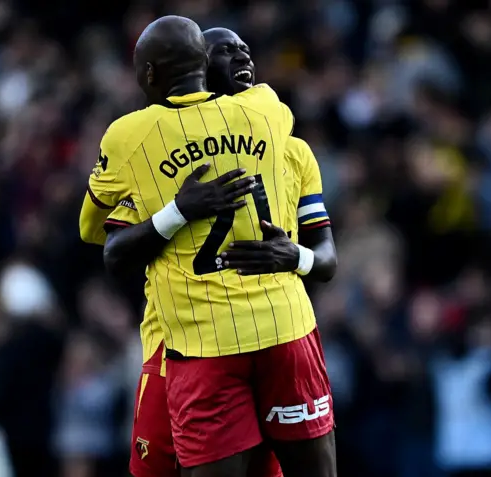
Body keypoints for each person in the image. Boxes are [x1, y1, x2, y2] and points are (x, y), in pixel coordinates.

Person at [84, 17, 336, 477]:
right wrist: (177, 211)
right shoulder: (260, 116)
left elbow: (326, 255)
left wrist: (295, 257)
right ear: (200, 65)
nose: (241, 56)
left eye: (244, 48)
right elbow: (110, 247)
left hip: (270, 330)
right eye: (223, 49)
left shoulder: (292, 149)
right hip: (179, 345)